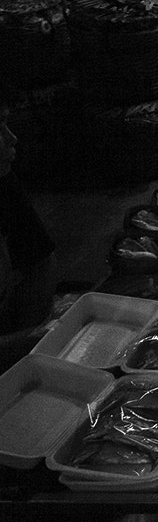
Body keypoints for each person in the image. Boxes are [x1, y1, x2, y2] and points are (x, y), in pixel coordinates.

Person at [0, 98, 56, 371]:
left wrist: (38, 330)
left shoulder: (4, 182)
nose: (12, 138)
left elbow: (39, 259)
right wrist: (27, 341)